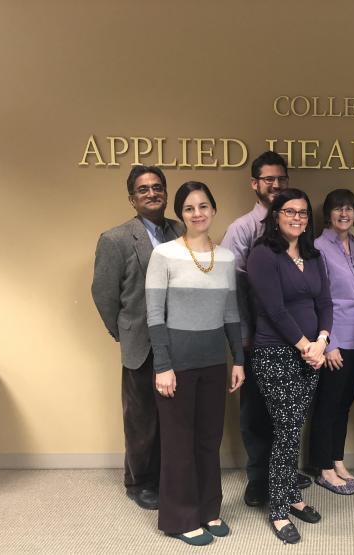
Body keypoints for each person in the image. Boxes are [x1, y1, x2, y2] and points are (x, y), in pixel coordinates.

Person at [145, 181, 244, 546]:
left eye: (204, 206)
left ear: (214, 211)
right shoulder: (165, 255)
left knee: (208, 440)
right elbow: (154, 315)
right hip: (177, 365)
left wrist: (238, 360)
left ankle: (209, 509)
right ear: (181, 214)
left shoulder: (227, 258)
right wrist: (163, 365)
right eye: (189, 208)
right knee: (178, 442)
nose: (197, 213)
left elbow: (232, 313)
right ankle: (181, 517)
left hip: (215, 362)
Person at [219, 151, 312, 507]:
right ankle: (259, 479)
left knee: (287, 412)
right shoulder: (242, 230)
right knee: (256, 412)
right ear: (254, 184)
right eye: (268, 179)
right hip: (255, 337)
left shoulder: (300, 230)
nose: (275, 185)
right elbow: (231, 289)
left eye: (281, 179)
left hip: (294, 340)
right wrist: (242, 336)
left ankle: (283, 473)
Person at [91, 165, 183, 510]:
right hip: (141, 342)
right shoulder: (114, 239)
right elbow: (103, 294)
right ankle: (139, 481)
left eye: (157, 187)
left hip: (178, 339)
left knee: (172, 415)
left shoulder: (180, 230)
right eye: (143, 189)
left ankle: (167, 475)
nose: (152, 193)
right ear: (132, 198)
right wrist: (123, 331)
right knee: (142, 417)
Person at [247, 188, 333, 544]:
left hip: (312, 354)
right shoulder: (263, 254)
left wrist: (322, 341)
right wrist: (305, 347)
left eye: (303, 213)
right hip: (277, 354)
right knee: (285, 431)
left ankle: (294, 496)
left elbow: (326, 302)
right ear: (276, 215)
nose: (297, 218)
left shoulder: (313, 255)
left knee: (294, 429)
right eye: (290, 211)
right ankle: (280, 509)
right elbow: (273, 309)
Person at [309, 189, 354, 495]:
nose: (344, 213)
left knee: (344, 405)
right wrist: (328, 343)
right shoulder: (318, 247)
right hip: (335, 339)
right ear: (328, 214)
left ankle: (337, 459)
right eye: (337, 209)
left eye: (349, 208)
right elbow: (319, 299)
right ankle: (323, 468)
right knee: (328, 405)